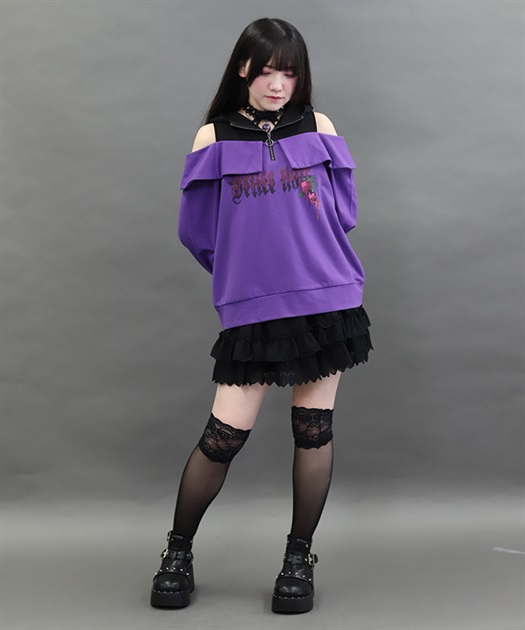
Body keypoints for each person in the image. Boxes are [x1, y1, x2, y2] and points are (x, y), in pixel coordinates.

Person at [150, 17, 373, 614]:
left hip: (327, 298)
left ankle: (298, 559)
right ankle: (177, 552)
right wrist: (247, 273)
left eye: (290, 73)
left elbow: (343, 213)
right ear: (243, 69)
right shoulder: (214, 136)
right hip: (253, 307)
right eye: (268, 71)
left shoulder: (319, 127)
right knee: (222, 436)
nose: (278, 84)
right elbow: (198, 233)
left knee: (313, 430)